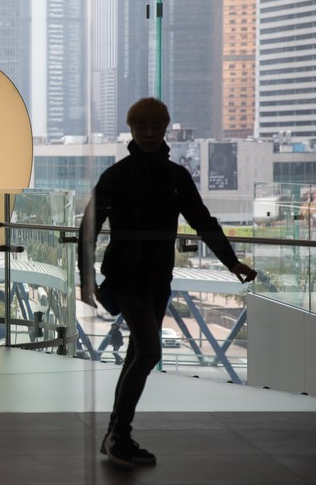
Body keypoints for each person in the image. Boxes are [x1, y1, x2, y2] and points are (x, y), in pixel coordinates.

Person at [78, 97, 257, 470]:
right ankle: (119, 434)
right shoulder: (118, 175)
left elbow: (202, 220)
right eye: (141, 127)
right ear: (131, 129)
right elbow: (89, 229)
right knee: (148, 352)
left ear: (164, 129)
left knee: (136, 353)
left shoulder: (176, 177)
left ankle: (115, 434)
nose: (147, 133)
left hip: (158, 278)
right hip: (127, 278)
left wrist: (230, 262)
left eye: (154, 127)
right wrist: (86, 279)